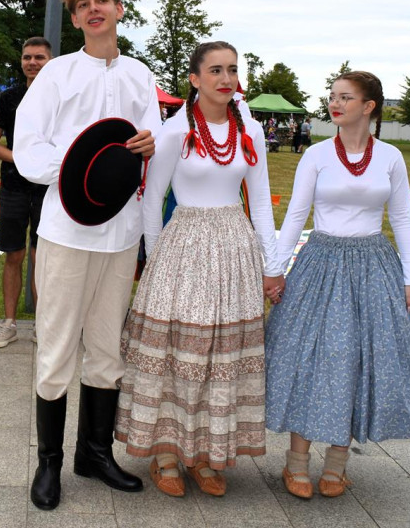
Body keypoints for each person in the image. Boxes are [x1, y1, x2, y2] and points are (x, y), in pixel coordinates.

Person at [13, 0, 159, 510]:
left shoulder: (141, 76)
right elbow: (28, 148)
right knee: (55, 347)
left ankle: (94, 454)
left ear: (119, 10)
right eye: (82, 5)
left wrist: (148, 143)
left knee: (105, 347)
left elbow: (153, 142)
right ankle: (48, 462)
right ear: (73, 18)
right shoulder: (55, 73)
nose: (93, 10)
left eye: (102, 1)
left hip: (120, 232)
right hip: (67, 229)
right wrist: (79, 172)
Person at [115, 41, 281, 498]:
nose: (225, 79)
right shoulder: (174, 132)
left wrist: (272, 262)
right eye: (215, 71)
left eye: (231, 70)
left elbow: (262, 202)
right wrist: (152, 259)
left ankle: (207, 453)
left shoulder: (250, 132)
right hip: (183, 246)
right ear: (195, 78)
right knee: (178, 349)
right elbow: (152, 202)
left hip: (235, 247)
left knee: (221, 355)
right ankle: (167, 451)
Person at [264, 71, 410, 500]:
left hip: (374, 265)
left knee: (360, 358)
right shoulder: (317, 154)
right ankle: (296, 462)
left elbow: (401, 218)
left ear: (369, 106)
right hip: (321, 263)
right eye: (332, 97)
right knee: (313, 357)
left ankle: (338, 464)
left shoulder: (390, 157)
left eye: (345, 97)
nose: (334, 104)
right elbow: (296, 215)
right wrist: (275, 269)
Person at [0, 37, 52, 349]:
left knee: (42, 258)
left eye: (39, 57)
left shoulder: (60, 96)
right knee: (14, 254)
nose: (33, 62)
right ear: (21, 61)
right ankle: (9, 324)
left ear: (50, 60)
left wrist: (45, 165)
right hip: (13, 185)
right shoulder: (10, 97)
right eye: (27, 57)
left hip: (49, 188)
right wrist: (22, 160)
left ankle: (42, 325)